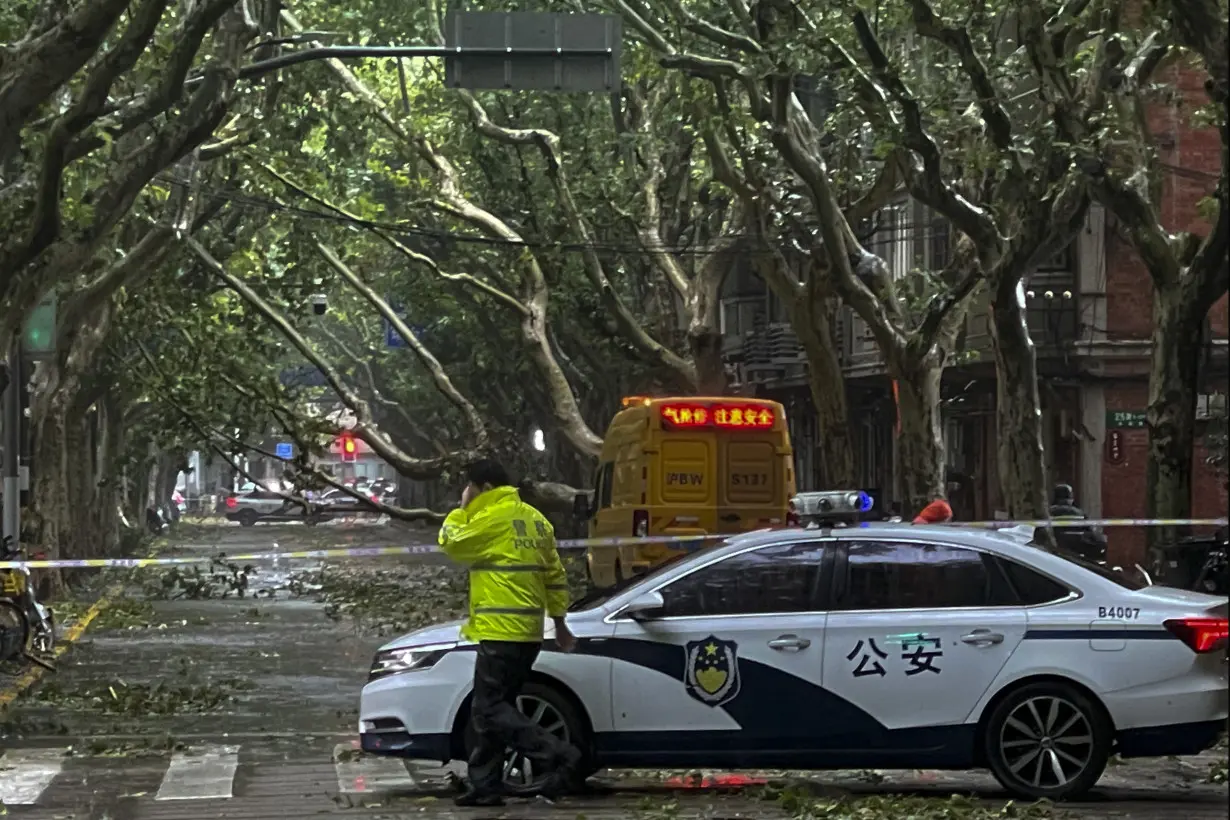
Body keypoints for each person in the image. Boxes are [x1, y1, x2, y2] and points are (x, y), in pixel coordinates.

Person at [438, 458, 582, 807]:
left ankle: (559, 753)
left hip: (501, 631)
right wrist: (560, 623)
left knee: (488, 710)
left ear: (484, 487)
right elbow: (555, 577)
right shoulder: (536, 521)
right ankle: (486, 786)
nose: (466, 493)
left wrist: (459, 511)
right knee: (494, 710)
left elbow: (452, 543)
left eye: (469, 486)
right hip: (529, 632)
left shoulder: (493, 519)